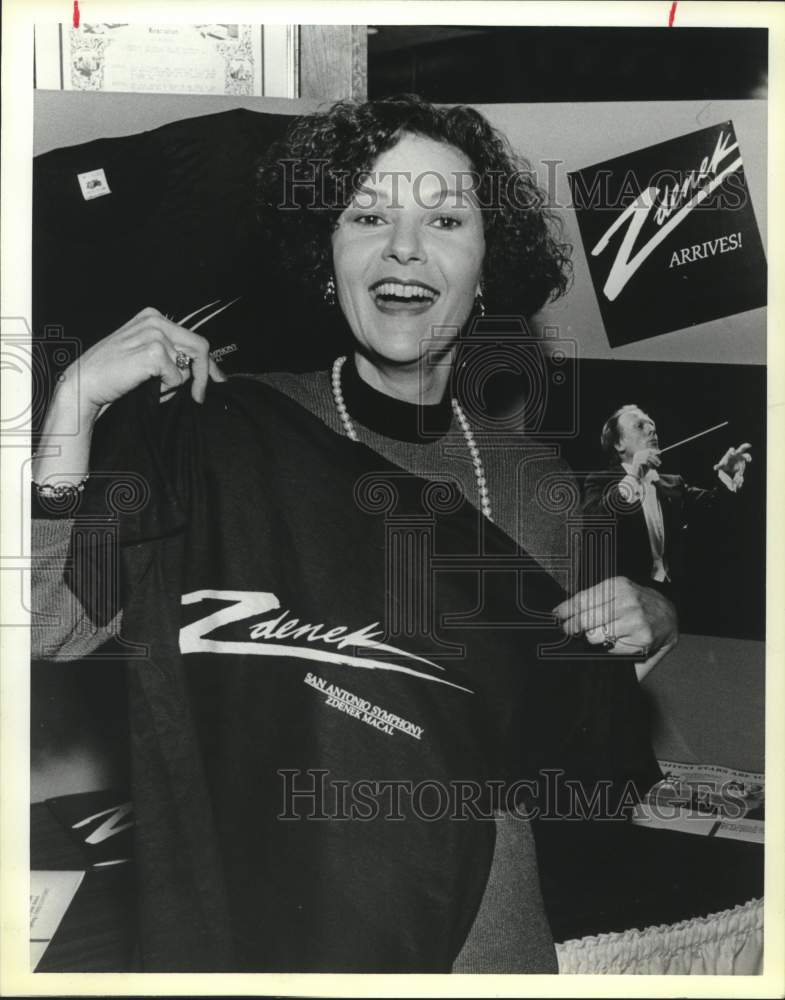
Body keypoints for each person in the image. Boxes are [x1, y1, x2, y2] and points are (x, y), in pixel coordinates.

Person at [31, 96, 675, 973]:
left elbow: (562, 728)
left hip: (479, 946)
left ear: (486, 267)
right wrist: (74, 402)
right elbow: (42, 624)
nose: (404, 247)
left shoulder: (537, 481)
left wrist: (648, 623)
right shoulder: (229, 436)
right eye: (367, 216)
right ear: (325, 261)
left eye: (445, 218)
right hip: (268, 940)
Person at [582, 404, 752, 596]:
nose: (652, 429)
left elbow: (717, 510)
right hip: (623, 602)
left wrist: (727, 475)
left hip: (673, 597)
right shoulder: (599, 481)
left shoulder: (674, 484)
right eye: (639, 426)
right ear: (619, 443)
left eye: (652, 425)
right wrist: (633, 478)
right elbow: (593, 525)